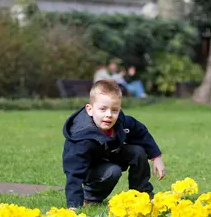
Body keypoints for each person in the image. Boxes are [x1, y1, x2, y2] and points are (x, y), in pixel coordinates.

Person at [62, 79, 166, 209]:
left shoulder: (121, 122)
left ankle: (142, 195)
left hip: (110, 153)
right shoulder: (81, 138)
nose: (109, 115)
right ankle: (89, 198)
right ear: (89, 109)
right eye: (103, 109)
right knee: (113, 171)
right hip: (90, 168)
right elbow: (74, 173)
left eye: (114, 110)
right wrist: (73, 207)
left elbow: (140, 132)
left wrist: (156, 157)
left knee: (138, 152)